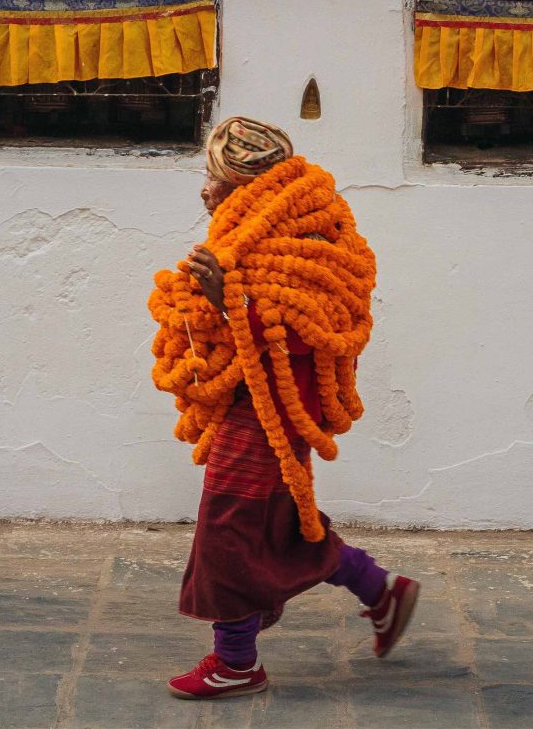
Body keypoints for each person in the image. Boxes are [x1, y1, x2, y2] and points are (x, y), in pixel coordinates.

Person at [149, 116, 420, 700]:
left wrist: (229, 299)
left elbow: (311, 332)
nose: (204, 189)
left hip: (278, 408)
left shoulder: (309, 242)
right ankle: (381, 590)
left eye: (214, 177)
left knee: (227, 532)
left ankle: (236, 663)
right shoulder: (243, 237)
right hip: (250, 401)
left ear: (248, 186)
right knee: (274, 528)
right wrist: (209, 303)